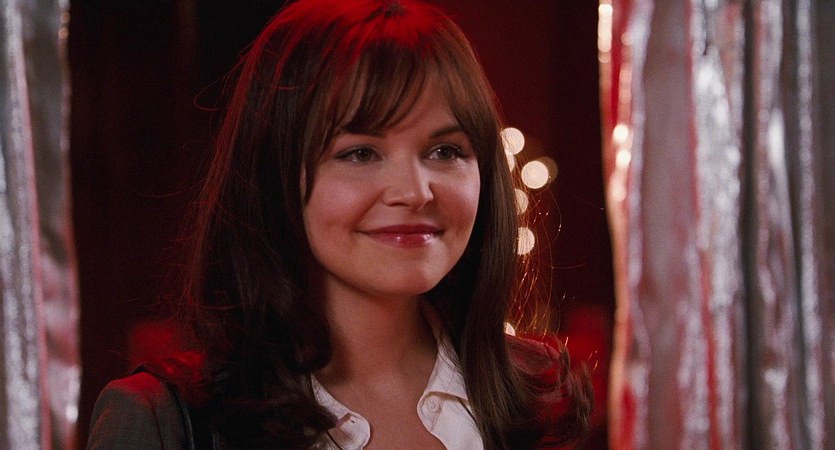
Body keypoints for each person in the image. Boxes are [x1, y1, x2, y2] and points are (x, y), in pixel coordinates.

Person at [86, 0, 592, 448]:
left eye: (445, 151)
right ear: (274, 175)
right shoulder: (164, 422)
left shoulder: (542, 403)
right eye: (360, 153)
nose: (415, 191)